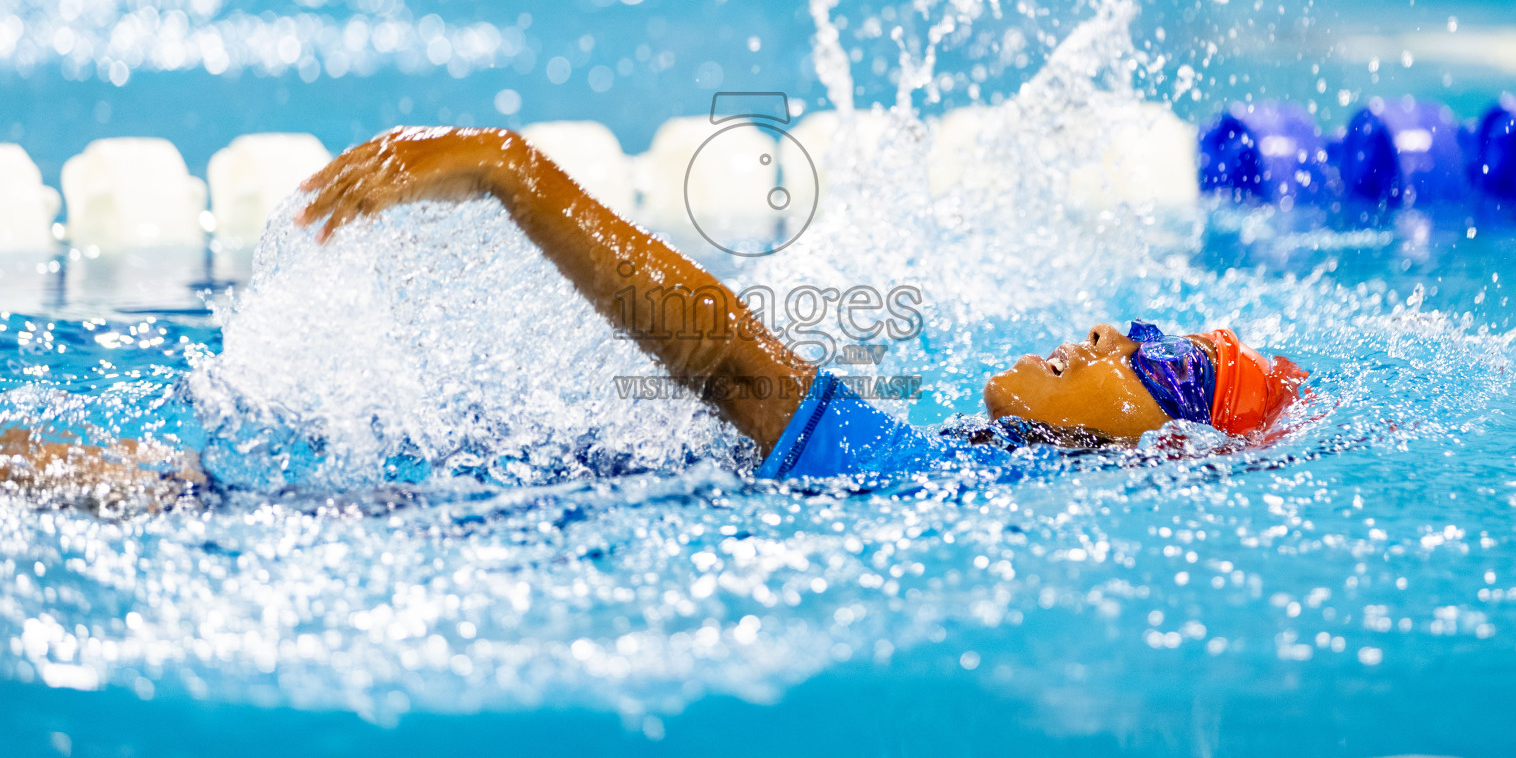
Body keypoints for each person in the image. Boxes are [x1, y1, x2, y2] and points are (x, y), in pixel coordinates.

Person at [0, 125, 1307, 505]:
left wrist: (517, 172)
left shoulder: (943, 493)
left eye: (1156, 359)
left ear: (1163, 443)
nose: (1106, 337)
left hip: (420, 523)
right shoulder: (962, 480)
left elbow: (737, 364)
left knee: (162, 491)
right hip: (466, 498)